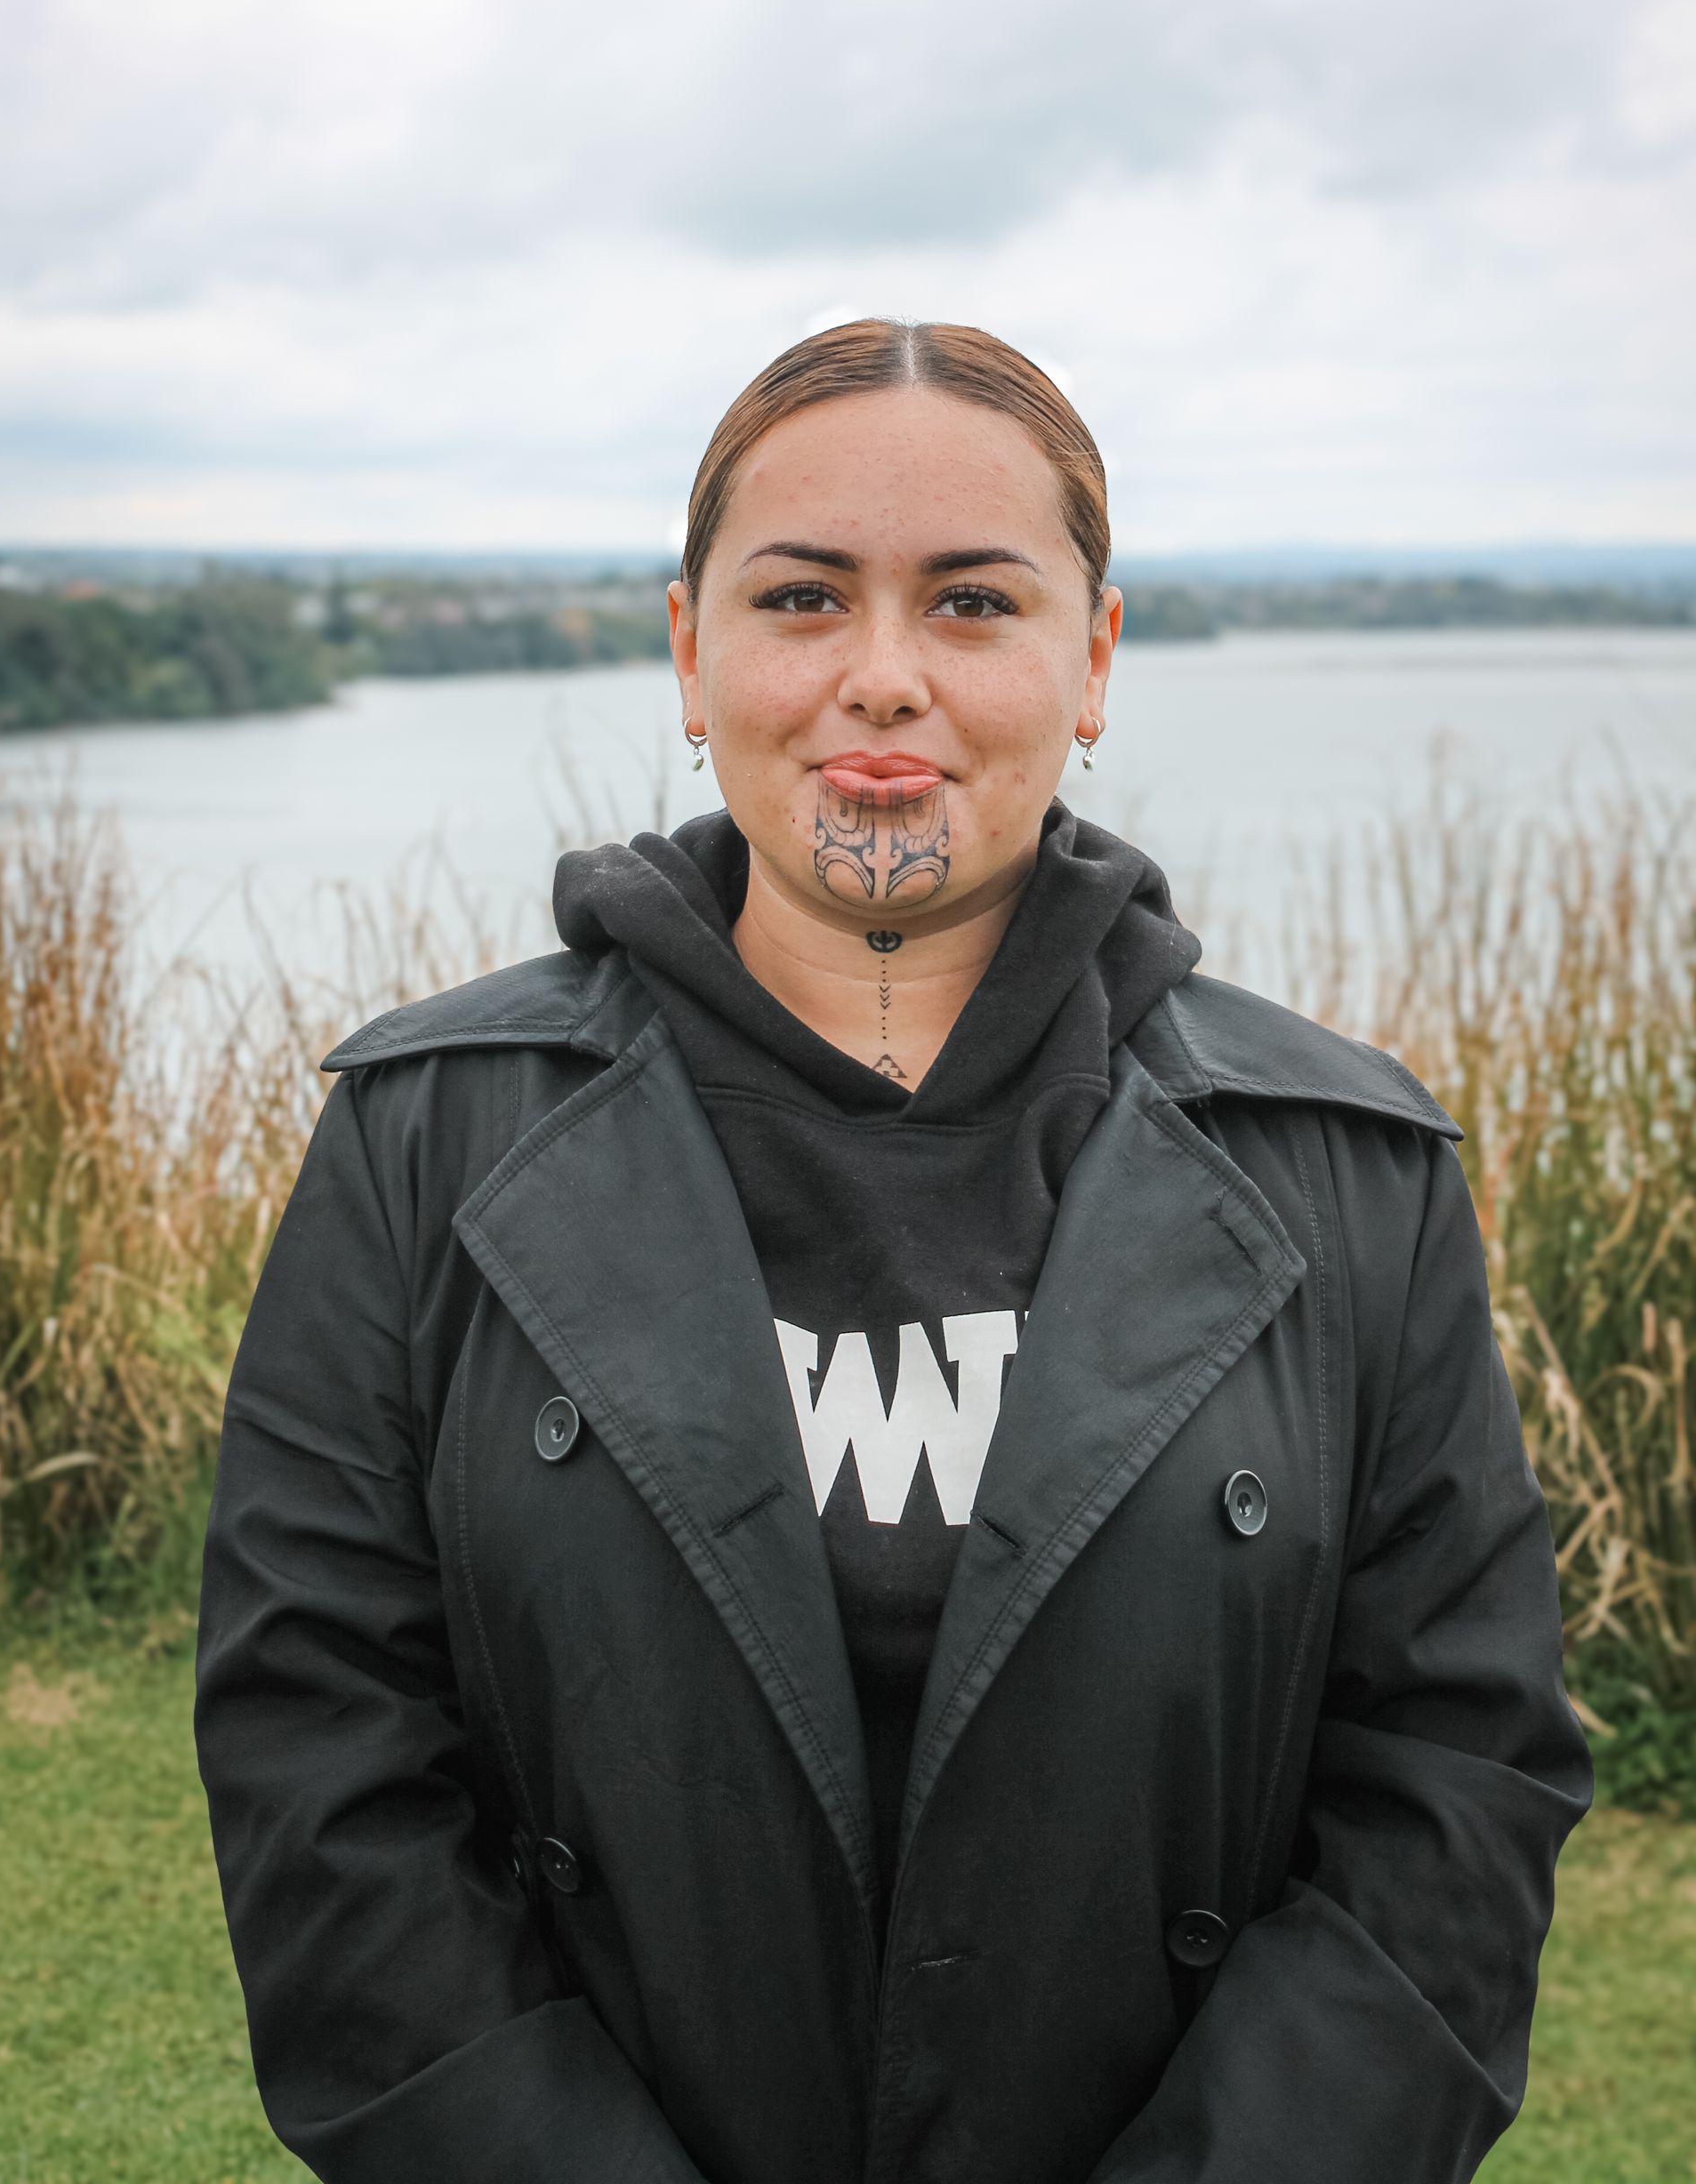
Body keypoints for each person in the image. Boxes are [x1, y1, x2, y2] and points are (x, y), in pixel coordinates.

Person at [195, 319, 1589, 2184]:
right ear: (691, 652)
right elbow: (323, 1763)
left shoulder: (1347, 1174)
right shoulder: (424, 1142)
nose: (879, 680)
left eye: (972, 604)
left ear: (1092, 659)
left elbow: (1453, 1782)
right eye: (800, 598)